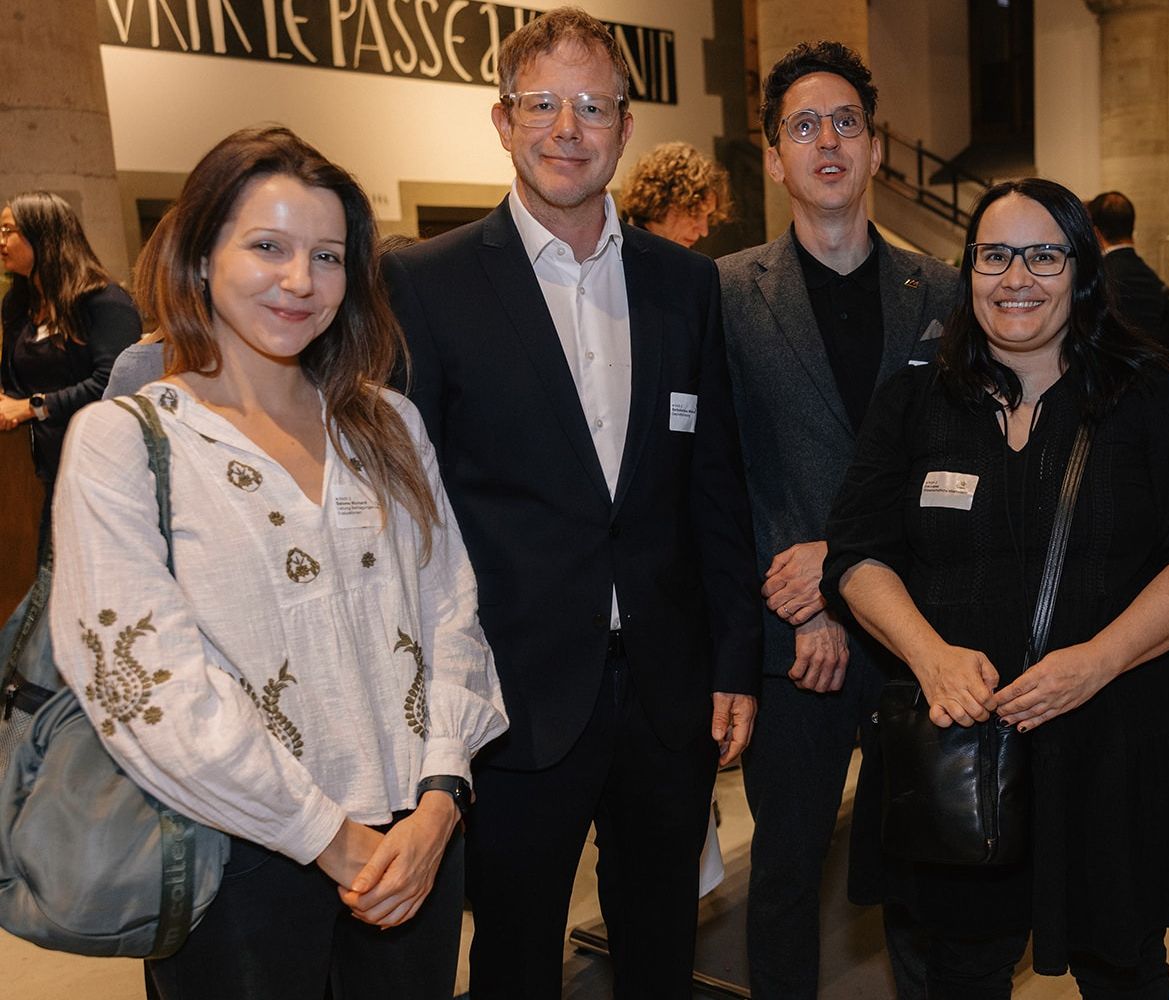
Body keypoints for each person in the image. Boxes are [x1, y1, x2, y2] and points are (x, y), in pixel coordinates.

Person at [47, 124, 508, 999]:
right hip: (234, 860)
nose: (300, 280)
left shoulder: (387, 424)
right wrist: (330, 838)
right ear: (200, 256)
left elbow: (451, 612)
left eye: (327, 256)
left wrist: (441, 801)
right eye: (268, 247)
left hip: (417, 845)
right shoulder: (124, 441)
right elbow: (144, 686)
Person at [380, 8, 763, 998]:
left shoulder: (686, 285)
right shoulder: (425, 284)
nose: (566, 128)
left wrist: (734, 659)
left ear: (625, 128)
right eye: (542, 103)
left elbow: (713, 488)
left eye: (592, 106)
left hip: (668, 693)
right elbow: (408, 509)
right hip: (512, 699)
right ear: (501, 121)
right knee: (515, 959)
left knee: (660, 949)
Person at [825, 178, 1169, 998]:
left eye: (1043, 255)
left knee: (1122, 970)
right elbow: (857, 554)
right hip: (963, 748)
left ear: (1081, 269)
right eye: (994, 256)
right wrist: (931, 657)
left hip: (1112, 743)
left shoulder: (1144, 392)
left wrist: (1098, 661)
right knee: (959, 970)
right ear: (968, 270)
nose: (1016, 277)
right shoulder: (915, 398)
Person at [716, 39, 960, 998]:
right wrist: (804, 594)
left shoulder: (942, 292)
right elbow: (721, 474)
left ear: (875, 149)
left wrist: (843, 563)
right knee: (784, 877)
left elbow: (956, 464)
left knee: (922, 875)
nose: (828, 141)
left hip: (915, 634)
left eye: (846, 123)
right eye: (804, 126)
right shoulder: (727, 294)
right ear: (776, 157)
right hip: (795, 643)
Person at [0, 191, 140, 559]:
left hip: (99, 467)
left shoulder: (104, 301)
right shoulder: (17, 305)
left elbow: (113, 383)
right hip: (38, 470)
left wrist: (33, 407)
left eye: (8, 230)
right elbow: (13, 383)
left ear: (43, 234)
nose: (1, 241)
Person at [1084, 191, 1169, 353]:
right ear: (1131, 226)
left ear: (1096, 233)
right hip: (1146, 363)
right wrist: (1156, 351)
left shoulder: (1098, 275)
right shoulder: (1147, 274)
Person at [617, 140, 732, 249]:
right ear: (659, 202)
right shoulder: (617, 254)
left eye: (708, 216)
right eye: (695, 213)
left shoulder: (680, 257)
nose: (704, 231)